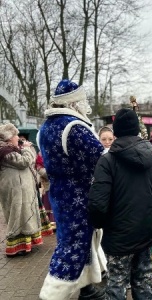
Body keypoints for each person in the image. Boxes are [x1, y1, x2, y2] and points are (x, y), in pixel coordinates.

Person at [88, 108, 152, 300]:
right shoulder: (151, 155)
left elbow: (98, 204)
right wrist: (145, 208)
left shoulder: (107, 161)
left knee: (117, 286)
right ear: (137, 129)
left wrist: (103, 223)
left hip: (118, 237)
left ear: (115, 132)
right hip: (144, 233)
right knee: (143, 283)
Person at [38, 79, 106, 300]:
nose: (86, 105)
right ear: (74, 101)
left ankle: (86, 288)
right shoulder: (73, 127)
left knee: (78, 241)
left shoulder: (45, 127)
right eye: (83, 100)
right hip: (79, 196)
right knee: (72, 246)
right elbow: (100, 158)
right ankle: (51, 294)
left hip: (59, 194)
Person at [0, 123, 43, 256]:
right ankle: (16, 247)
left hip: (20, 189)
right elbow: (24, 162)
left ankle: (27, 244)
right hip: (14, 190)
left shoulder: (12, 149)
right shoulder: (5, 151)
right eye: (16, 135)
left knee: (24, 214)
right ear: (9, 137)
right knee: (17, 216)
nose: (18, 138)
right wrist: (26, 148)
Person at [36, 152, 56, 230]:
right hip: (48, 187)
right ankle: (50, 223)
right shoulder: (39, 163)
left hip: (55, 187)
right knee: (49, 204)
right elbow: (44, 173)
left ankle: (55, 223)